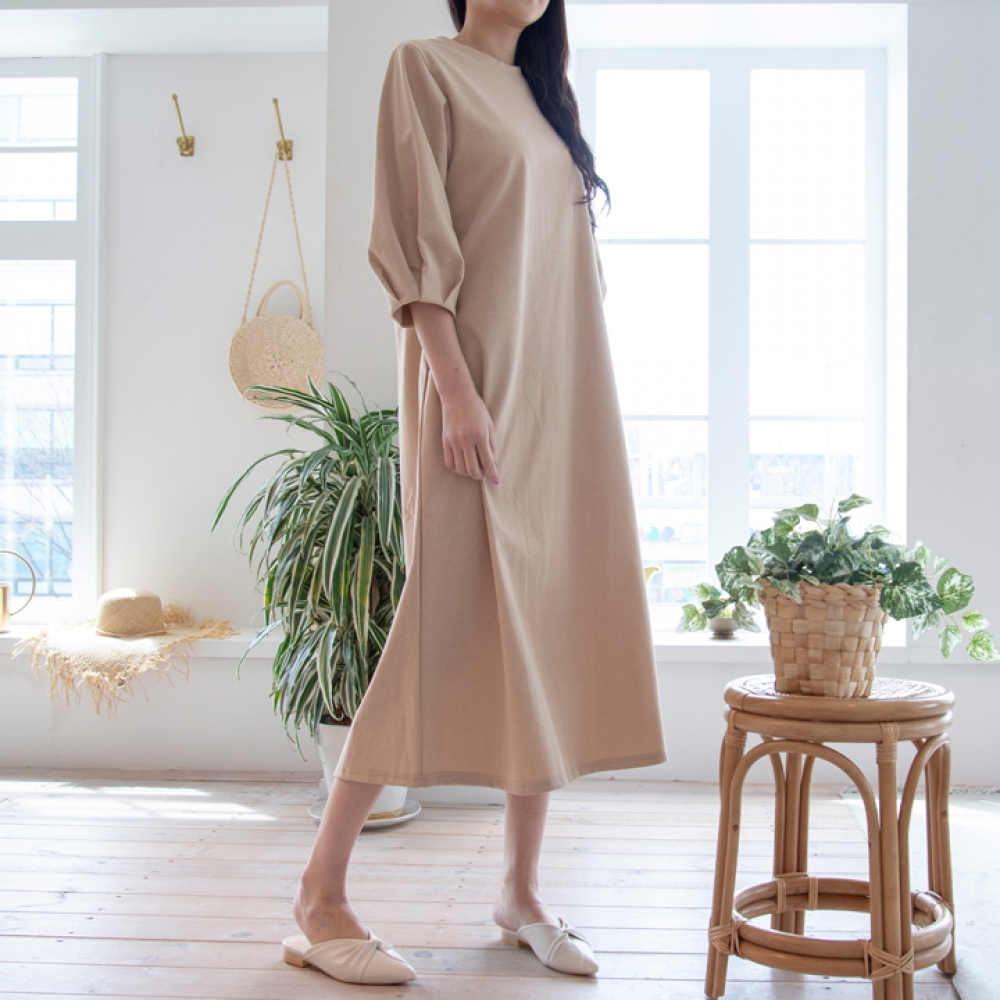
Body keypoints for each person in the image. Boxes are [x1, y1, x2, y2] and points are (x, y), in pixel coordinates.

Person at [282, 0, 667, 985]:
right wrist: (456, 393)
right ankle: (319, 896)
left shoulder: (545, 95)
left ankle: (520, 893)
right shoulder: (424, 68)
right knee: (437, 622)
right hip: (478, 394)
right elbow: (416, 246)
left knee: (545, 626)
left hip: (561, 395)